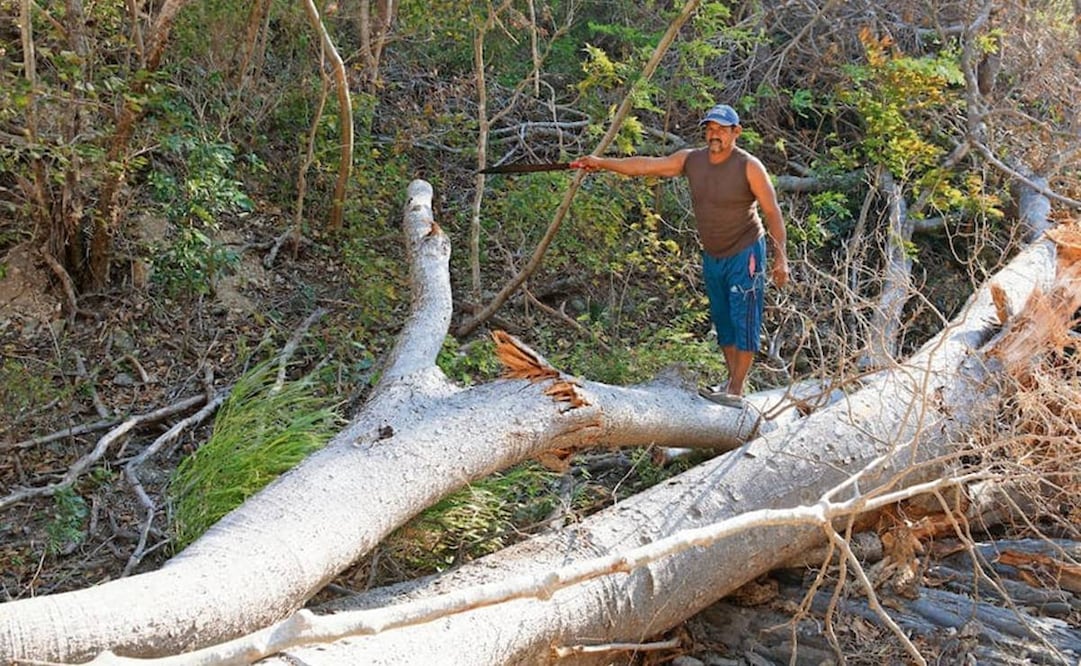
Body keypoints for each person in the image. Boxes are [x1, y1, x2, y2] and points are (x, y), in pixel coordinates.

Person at [570, 103, 789, 407]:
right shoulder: (691, 160)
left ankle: (736, 390)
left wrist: (781, 259)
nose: (715, 135)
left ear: (735, 132)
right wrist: (601, 162)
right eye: (710, 129)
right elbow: (646, 166)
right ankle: (730, 382)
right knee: (723, 320)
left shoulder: (749, 166)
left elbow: (772, 212)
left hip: (746, 250)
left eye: (721, 130)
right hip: (713, 255)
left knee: (744, 318)